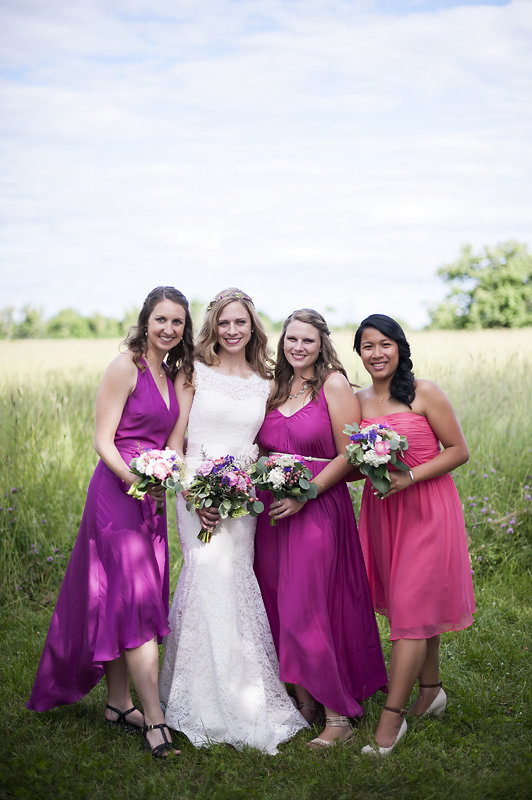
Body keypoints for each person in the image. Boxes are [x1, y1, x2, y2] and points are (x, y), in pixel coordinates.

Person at [27, 286, 194, 758]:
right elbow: (102, 440)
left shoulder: (174, 374)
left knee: (127, 597)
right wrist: (137, 482)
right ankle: (154, 721)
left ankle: (119, 704)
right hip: (117, 492)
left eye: (178, 322)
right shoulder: (126, 367)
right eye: (161, 319)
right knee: (138, 602)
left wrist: (170, 476)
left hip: (151, 494)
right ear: (145, 321)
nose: (169, 329)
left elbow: (175, 443)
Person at [158, 288, 307, 755]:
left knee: (236, 579)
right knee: (204, 575)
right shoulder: (193, 373)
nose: (232, 330)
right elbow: (176, 441)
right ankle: (197, 696)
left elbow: (264, 441)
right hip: (194, 493)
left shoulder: (266, 381)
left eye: (240, 322)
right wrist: (191, 491)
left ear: (253, 327)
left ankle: (245, 692)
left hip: (243, 498)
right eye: (224, 322)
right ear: (213, 327)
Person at [253, 308, 388, 749]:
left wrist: (305, 492)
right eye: (291, 339)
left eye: (307, 340)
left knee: (307, 607)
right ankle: (304, 700)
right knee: (276, 600)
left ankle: (338, 716)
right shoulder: (274, 386)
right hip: (272, 513)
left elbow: (350, 455)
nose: (298, 347)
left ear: (321, 343)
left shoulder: (333, 383)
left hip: (316, 507)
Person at [353, 313, 476, 756]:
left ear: (400, 348)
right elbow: (351, 462)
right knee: (416, 605)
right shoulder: (358, 400)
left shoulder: (423, 392)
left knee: (408, 611)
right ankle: (432, 690)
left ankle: (392, 719)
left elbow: (459, 451)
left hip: (427, 508)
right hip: (384, 511)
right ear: (359, 353)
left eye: (385, 344)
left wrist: (411, 477)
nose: (377, 353)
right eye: (368, 346)